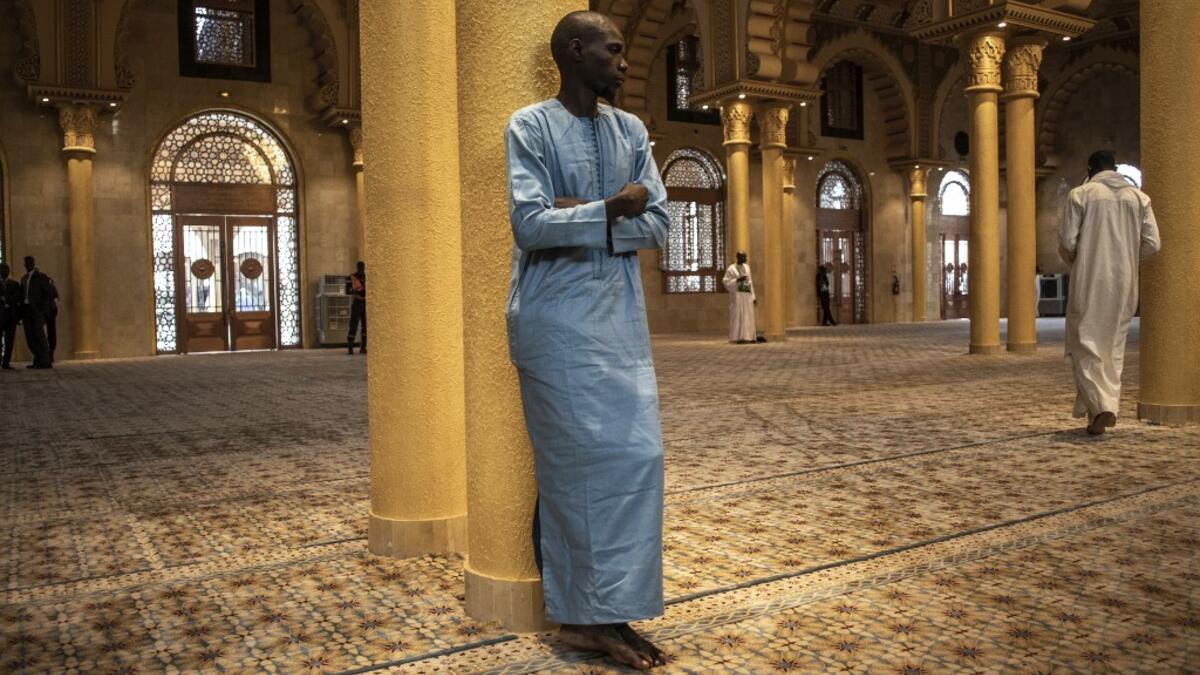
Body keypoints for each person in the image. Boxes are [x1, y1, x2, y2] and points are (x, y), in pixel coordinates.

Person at [505, 11, 669, 670]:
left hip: (619, 325)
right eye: (614, 50)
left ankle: (610, 610)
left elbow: (656, 221)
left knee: (638, 460)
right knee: (573, 476)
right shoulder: (529, 126)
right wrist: (609, 208)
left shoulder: (631, 130)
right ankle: (585, 620)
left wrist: (581, 212)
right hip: (556, 325)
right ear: (575, 53)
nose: (624, 62)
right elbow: (528, 225)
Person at [1059, 150, 1160, 436]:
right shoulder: (1139, 198)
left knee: (1084, 343)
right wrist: (1126, 256)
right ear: (1114, 168)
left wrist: (1080, 260)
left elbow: (1068, 241)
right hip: (1125, 282)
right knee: (1113, 348)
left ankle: (1102, 407)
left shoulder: (1081, 195)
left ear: (1090, 168)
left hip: (1090, 279)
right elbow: (1153, 244)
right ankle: (1099, 411)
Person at [19, 256, 53, 369]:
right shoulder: (23, 279)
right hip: (26, 310)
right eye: (26, 263)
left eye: (29, 263)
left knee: (39, 335)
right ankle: (37, 359)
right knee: (30, 337)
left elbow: (48, 295)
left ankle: (46, 361)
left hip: (37, 311)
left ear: (33, 263)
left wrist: (44, 311)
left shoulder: (41, 277)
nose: (27, 265)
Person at [722, 251, 757, 343]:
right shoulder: (731, 268)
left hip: (747, 295)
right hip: (737, 295)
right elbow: (725, 281)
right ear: (738, 257)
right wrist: (737, 280)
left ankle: (748, 336)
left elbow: (750, 282)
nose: (745, 259)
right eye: (743, 257)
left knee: (748, 316)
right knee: (737, 316)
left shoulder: (747, 267)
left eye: (745, 257)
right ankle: (737, 337)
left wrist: (753, 297)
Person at [0, 263, 21, 370]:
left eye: (6, 270)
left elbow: (17, 297)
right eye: (2, 270)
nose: (4, 272)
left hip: (11, 317)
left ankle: (6, 362)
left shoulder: (14, 284)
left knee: (10, 341)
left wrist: (5, 299)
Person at [345, 261, 366, 355]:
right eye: (360, 267)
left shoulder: (367, 277)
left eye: (362, 267)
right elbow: (347, 291)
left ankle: (363, 347)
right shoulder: (352, 277)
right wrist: (355, 290)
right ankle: (350, 347)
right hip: (357, 302)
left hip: (365, 302)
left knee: (365, 326)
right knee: (353, 324)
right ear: (357, 267)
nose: (361, 269)